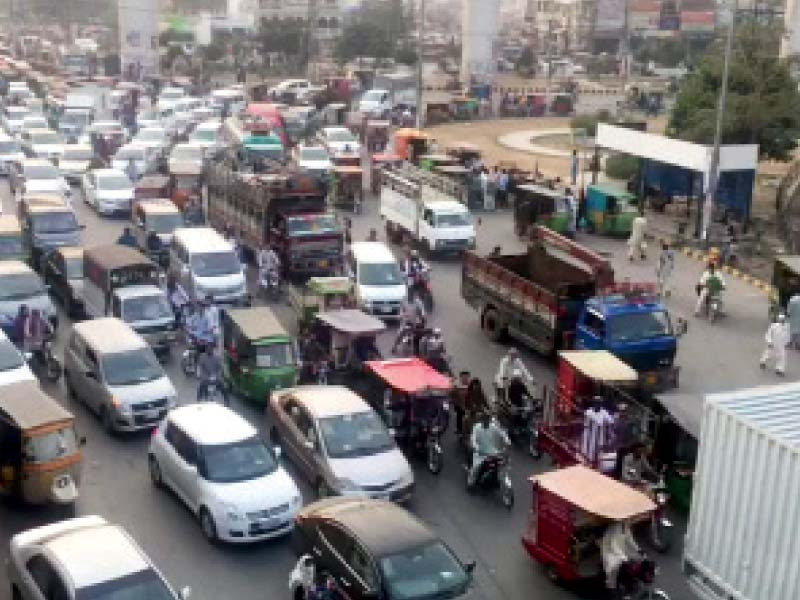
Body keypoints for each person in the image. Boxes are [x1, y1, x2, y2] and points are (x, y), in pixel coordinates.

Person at [468, 412, 510, 487]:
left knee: (501, 464)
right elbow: (473, 439)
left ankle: (495, 479)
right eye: (485, 419)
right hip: (480, 453)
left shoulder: (493, 427)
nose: (486, 421)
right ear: (482, 420)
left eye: (488, 419)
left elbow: (502, 433)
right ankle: (471, 482)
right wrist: (476, 447)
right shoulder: (477, 427)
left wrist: (507, 440)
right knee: (475, 467)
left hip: (493, 452)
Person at [601, 520, 641, 591]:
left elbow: (630, 540)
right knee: (614, 567)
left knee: (636, 558)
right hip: (610, 552)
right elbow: (614, 546)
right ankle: (611, 586)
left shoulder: (625, 526)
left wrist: (638, 549)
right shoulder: (615, 528)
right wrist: (624, 557)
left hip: (620, 550)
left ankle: (630, 580)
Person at [452, 370, 471, 435]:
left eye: (467, 377)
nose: (465, 378)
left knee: (467, 418)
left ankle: (467, 430)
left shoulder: (470, 385)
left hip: (467, 404)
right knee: (459, 417)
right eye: (464, 377)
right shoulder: (456, 384)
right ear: (461, 377)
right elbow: (453, 394)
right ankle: (459, 429)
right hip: (459, 404)